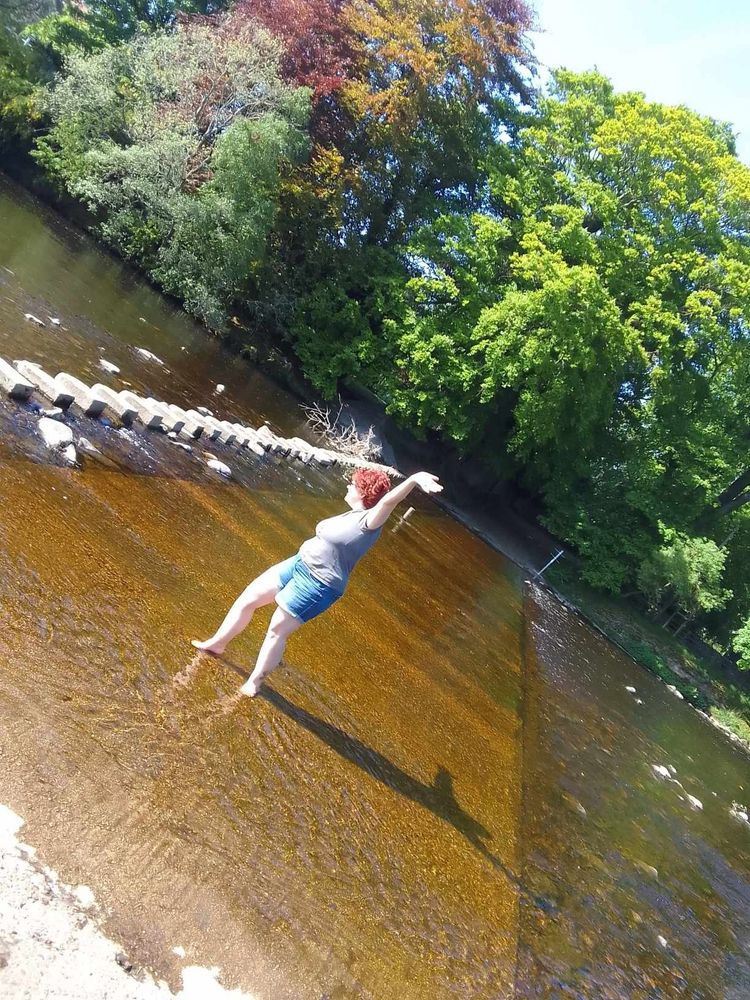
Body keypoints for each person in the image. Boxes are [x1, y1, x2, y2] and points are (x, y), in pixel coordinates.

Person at [191, 467, 443, 696]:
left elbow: (388, 502)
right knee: (249, 598)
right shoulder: (349, 514)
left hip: (318, 584)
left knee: (276, 629)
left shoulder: (368, 522)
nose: (347, 486)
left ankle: (255, 682)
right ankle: (217, 644)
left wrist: (412, 480)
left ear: (363, 491)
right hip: (298, 564)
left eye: (352, 484)